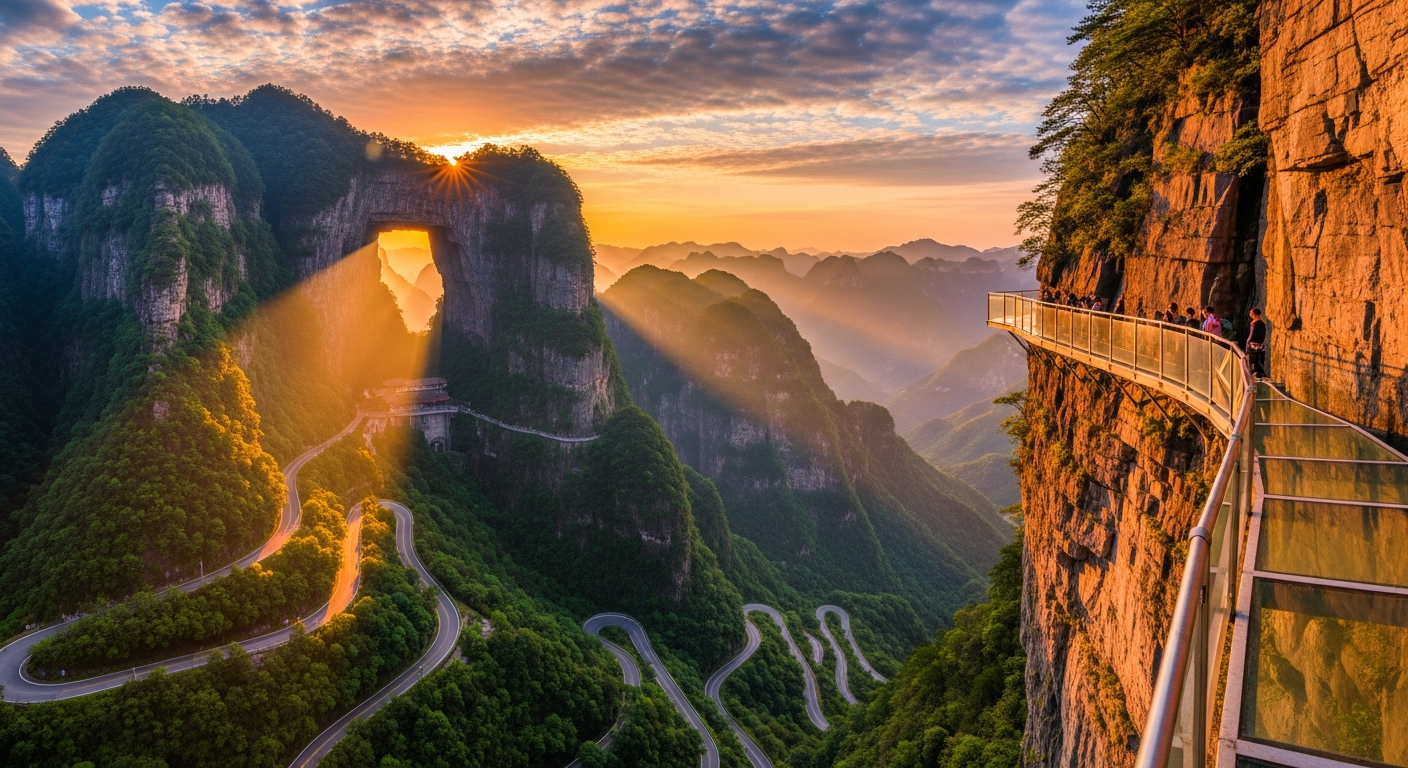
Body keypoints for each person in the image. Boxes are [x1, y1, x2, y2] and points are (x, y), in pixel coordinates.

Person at [1247, 308, 1268, 377]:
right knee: (1258, 359)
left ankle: (1254, 373)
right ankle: (1259, 373)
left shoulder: (1254, 323)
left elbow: (1252, 334)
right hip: (1260, 344)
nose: (1250, 314)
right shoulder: (1262, 323)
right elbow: (1263, 334)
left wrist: (1248, 341)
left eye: (1251, 313)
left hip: (1253, 344)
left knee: (1252, 359)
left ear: (1254, 314)